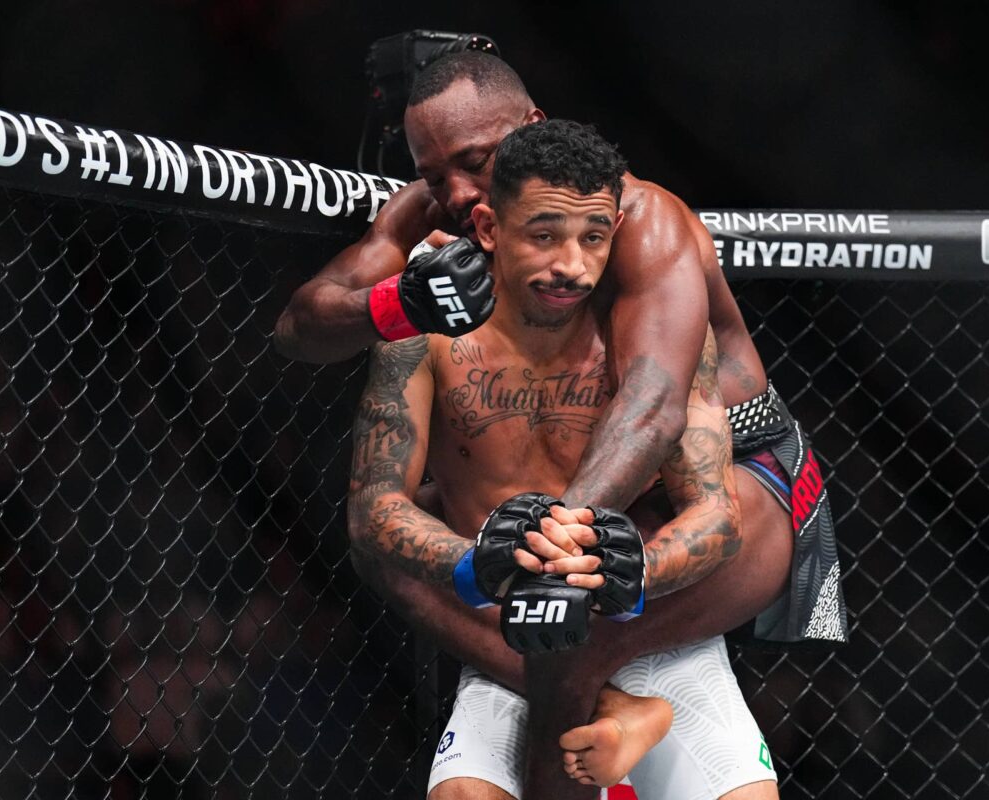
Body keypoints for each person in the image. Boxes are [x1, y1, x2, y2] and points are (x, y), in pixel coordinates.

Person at [276, 51, 846, 795]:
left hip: (728, 464)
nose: (455, 192)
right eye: (433, 174)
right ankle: (616, 706)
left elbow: (653, 408)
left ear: (530, 127)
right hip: (571, 482)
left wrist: (549, 545)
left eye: (474, 161)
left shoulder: (641, 222)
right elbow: (298, 328)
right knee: (394, 538)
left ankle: (603, 694)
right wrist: (395, 304)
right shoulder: (434, 218)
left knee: (565, 626)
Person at [349, 118, 778, 799]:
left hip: (646, 634)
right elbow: (375, 508)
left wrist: (638, 571)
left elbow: (717, 516)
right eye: (545, 236)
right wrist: (473, 561)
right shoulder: (425, 332)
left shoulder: (651, 330)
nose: (572, 265)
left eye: (593, 238)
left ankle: (621, 700)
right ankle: (614, 706)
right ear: (489, 228)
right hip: (507, 640)